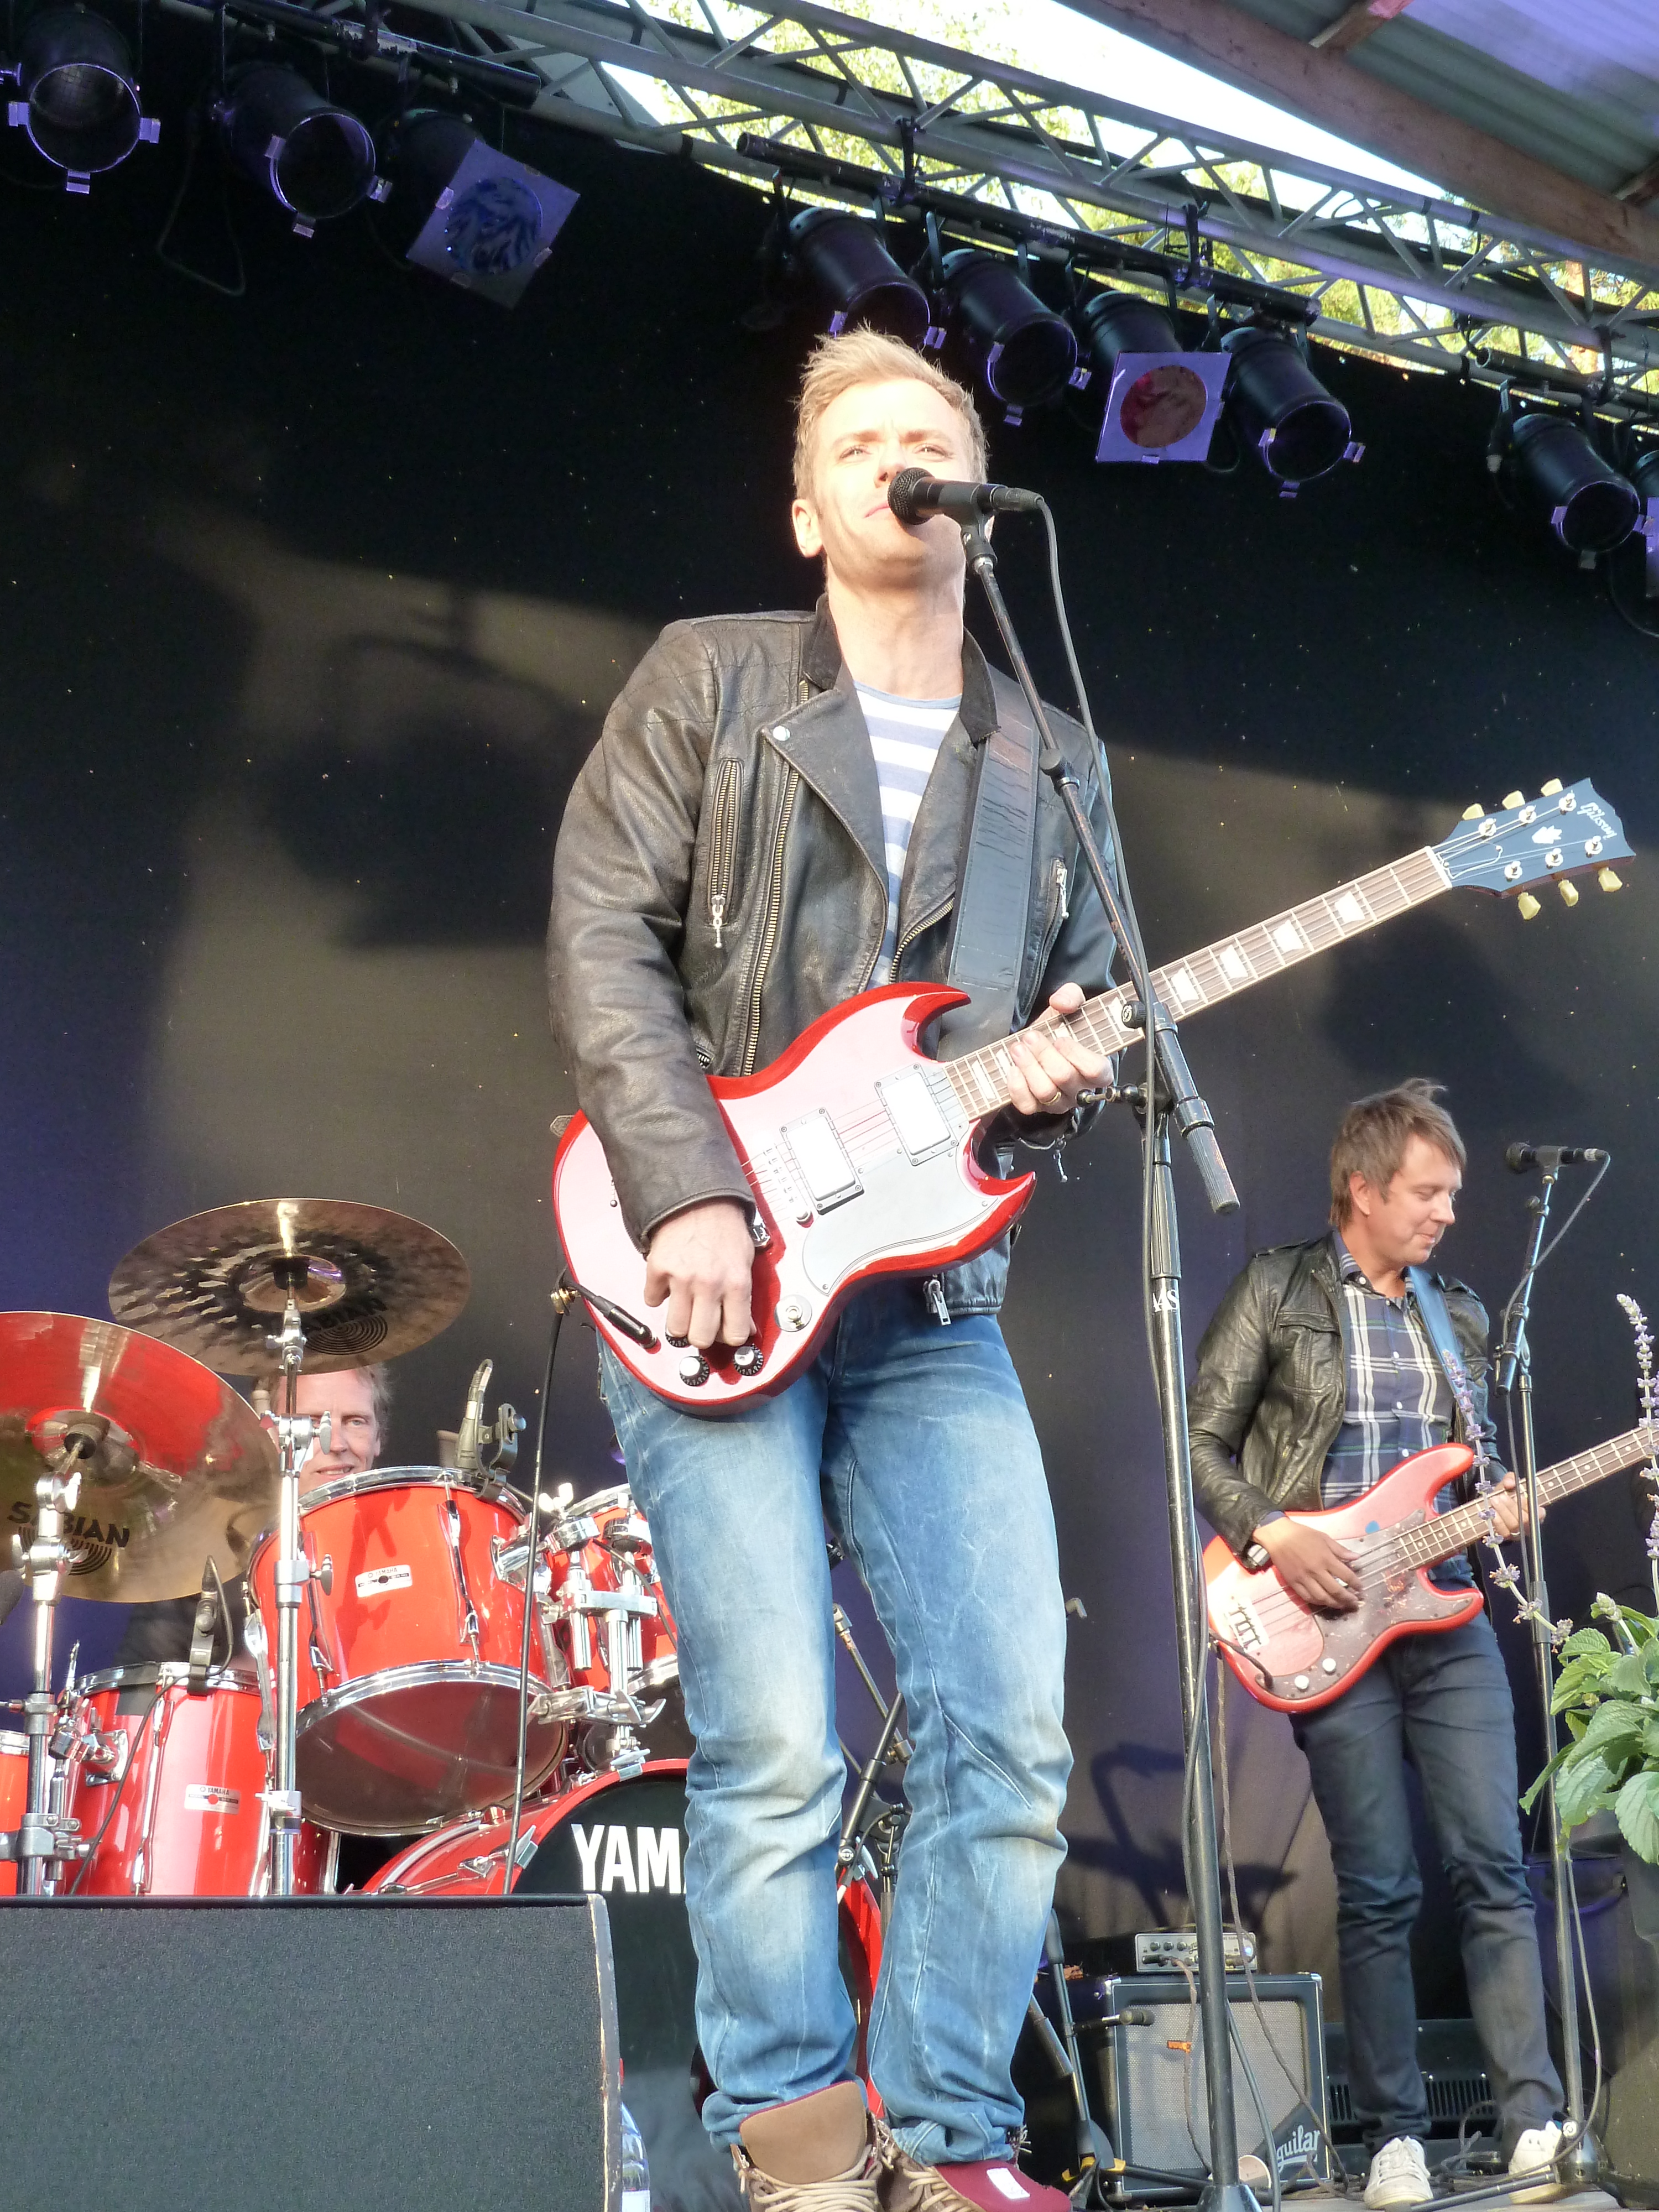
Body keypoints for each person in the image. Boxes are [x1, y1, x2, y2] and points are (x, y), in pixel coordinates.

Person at [547, 328, 1114, 2211]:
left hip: (931, 1305)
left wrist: (1060, 1080)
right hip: (715, 1268)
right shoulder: (711, 680)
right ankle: (796, 2151)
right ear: (807, 508)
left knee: (1008, 1733)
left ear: (974, 490)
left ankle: (947, 2143)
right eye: (859, 440)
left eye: (927, 434)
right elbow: (604, 937)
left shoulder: (1049, 750)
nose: (897, 457)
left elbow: (1066, 1020)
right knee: (778, 1741)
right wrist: (690, 1191)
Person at [1187, 1081, 1566, 2209]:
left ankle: (1534, 2122)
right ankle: (1395, 2137)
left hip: (1442, 1613)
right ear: (1362, 1188)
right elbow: (1199, 1441)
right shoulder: (1277, 1288)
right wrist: (1275, 1531)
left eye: (1451, 1192)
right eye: (1426, 1192)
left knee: (1495, 1868)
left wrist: (1501, 1505)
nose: (1448, 1211)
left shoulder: (1462, 1314)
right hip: (1321, 1617)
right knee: (1382, 1885)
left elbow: (1469, 1464)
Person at [114, 1364, 389, 1667]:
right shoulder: (203, 1551)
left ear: (378, 1437)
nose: (336, 1444)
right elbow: (145, 1686)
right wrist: (248, 1679)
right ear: (270, 1435)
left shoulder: (416, 1538)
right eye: (311, 1423)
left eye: (356, 1422)